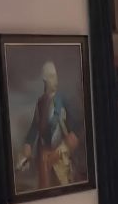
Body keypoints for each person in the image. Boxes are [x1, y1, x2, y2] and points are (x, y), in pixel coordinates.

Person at [20, 61, 80, 189]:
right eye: (52, 76)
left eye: (56, 76)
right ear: (45, 79)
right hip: (45, 159)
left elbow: (77, 128)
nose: (56, 79)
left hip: (62, 158)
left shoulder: (64, 99)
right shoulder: (40, 103)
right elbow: (34, 128)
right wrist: (28, 145)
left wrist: (62, 150)